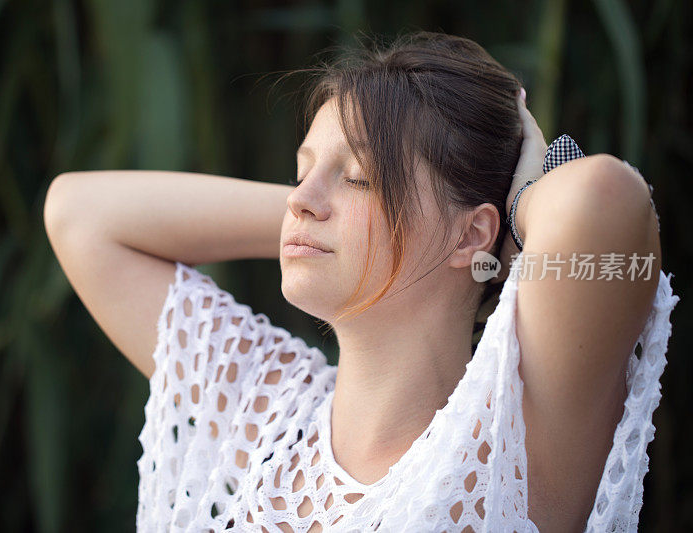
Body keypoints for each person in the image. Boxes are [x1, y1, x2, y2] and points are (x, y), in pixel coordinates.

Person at [43, 31, 680, 532]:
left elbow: (602, 199)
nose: (301, 199)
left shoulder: (512, 459)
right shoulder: (265, 421)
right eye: (302, 171)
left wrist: (516, 207)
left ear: (471, 235)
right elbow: (79, 215)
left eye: (359, 177)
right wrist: (323, 223)